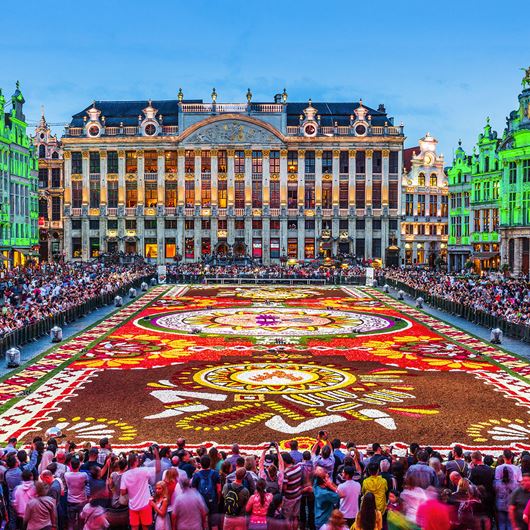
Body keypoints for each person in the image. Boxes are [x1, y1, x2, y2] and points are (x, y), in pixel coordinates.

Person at [120, 448, 160, 530]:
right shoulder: (143, 471)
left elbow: (123, 492)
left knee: (134, 527)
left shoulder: (125, 475)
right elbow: (158, 469)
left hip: (133, 505)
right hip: (145, 504)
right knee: (145, 527)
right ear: (136, 461)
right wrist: (157, 456)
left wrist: (132, 488)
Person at [192, 455, 221, 529]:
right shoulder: (215, 473)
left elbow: (193, 490)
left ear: (200, 464)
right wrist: (218, 499)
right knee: (214, 523)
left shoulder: (196, 475)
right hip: (213, 500)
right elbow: (219, 489)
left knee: (203, 521)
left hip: (201, 501)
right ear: (210, 463)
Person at [64, 457, 89, 530]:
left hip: (70, 501)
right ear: (79, 465)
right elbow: (87, 484)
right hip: (81, 501)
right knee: (81, 523)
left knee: (71, 523)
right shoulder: (84, 475)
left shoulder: (67, 475)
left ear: (71, 465)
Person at [495, 466, 518, 530]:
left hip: (500, 505)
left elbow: (495, 492)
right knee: (510, 524)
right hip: (511, 506)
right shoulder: (515, 484)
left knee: (501, 523)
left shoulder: (496, 483)